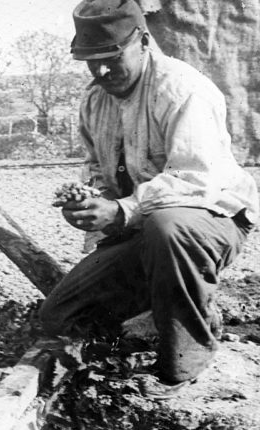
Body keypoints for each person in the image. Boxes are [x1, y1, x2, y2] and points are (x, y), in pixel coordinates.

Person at [40, 0, 259, 393]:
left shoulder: (182, 88)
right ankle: (156, 311)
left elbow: (195, 180)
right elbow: (96, 170)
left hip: (210, 220)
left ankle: (188, 348)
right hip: (143, 230)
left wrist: (121, 210)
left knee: (168, 225)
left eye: (111, 57)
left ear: (142, 41)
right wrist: (90, 202)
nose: (101, 71)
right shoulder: (95, 100)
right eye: (90, 60)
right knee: (61, 316)